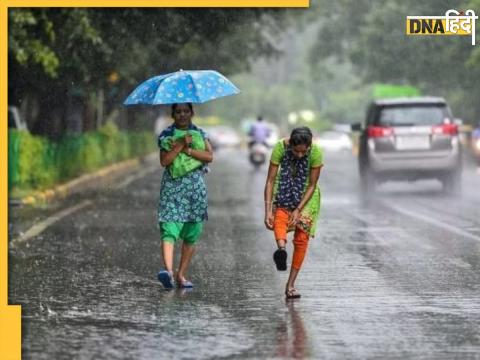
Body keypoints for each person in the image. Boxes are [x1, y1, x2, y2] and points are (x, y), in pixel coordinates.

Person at [156, 103, 213, 289]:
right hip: (172, 188)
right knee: (169, 227)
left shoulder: (200, 133)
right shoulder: (166, 135)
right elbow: (165, 161)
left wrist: (189, 149)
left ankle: (181, 275)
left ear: (192, 113)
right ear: (172, 114)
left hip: (195, 190)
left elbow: (209, 156)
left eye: (186, 111)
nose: (182, 115)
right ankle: (169, 273)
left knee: (191, 232)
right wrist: (179, 144)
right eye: (178, 112)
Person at [264, 127, 323, 299]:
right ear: (290, 144)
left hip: (307, 196)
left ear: (309, 146)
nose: (299, 155)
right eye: (295, 151)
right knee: (279, 218)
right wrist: (268, 210)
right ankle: (281, 250)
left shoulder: (316, 152)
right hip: (284, 190)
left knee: (301, 239)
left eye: (303, 152)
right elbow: (270, 180)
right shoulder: (279, 148)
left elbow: (312, 185)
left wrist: (298, 209)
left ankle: (290, 285)